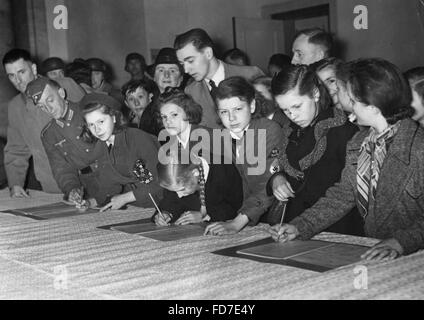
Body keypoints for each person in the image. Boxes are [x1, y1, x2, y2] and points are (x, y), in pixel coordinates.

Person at [269, 58, 424, 261]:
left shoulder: (418, 147)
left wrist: (401, 242)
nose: (345, 105)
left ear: (372, 106)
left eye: (351, 100)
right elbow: (342, 195)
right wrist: (301, 226)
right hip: (374, 251)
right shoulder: (359, 141)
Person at [268, 64, 362, 235]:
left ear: (315, 93)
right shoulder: (290, 130)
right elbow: (278, 163)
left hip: (336, 228)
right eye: (285, 110)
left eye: (297, 106)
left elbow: (347, 192)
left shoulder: (344, 131)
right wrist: (277, 177)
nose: (292, 115)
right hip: (292, 226)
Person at [204, 77, 284, 235]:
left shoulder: (268, 130)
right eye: (224, 112)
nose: (231, 118)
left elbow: (266, 184)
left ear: (252, 106)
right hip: (237, 216)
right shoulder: (221, 138)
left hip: (272, 217)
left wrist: (236, 224)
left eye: (238, 109)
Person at [2, 48, 85, 197]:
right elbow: (16, 149)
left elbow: (95, 122)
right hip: (52, 187)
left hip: (89, 180)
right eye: (12, 76)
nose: (18, 80)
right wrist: (15, 183)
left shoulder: (64, 85)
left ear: (33, 68)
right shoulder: (15, 107)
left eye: (22, 72)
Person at [26, 77, 106, 207]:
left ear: (62, 94)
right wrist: (72, 188)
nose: (48, 109)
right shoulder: (49, 134)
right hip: (89, 188)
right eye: (42, 106)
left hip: (115, 178)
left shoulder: (90, 112)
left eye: (50, 100)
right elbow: (61, 168)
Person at [80, 93, 162, 210]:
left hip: (161, 204)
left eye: (101, 122)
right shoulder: (102, 146)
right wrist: (91, 202)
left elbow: (158, 183)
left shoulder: (138, 139)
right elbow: (108, 185)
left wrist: (124, 198)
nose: (97, 130)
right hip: (135, 206)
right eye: (91, 125)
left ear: (114, 117)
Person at [174, 28, 264, 128]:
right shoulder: (191, 92)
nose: (186, 70)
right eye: (182, 64)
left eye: (190, 61)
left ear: (208, 53)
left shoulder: (250, 75)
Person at [153, 154, 243, 226]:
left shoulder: (222, 169)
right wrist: (165, 213)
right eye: (174, 191)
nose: (179, 195)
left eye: (182, 189)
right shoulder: (175, 176)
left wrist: (205, 216)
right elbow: (170, 202)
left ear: (195, 173)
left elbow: (236, 207)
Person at [158, 88, 215, 162]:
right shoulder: (169, 149)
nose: (168, 121)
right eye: (164, 117)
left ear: (188, 113)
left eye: (174, 115)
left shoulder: (210, 138)